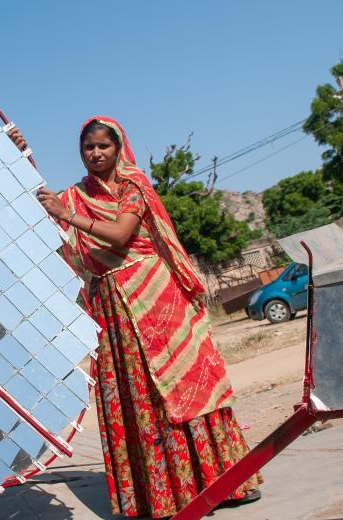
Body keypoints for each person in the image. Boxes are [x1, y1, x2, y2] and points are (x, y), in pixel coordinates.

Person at [21, 118, 261, 517]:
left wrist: (67, 215)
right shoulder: (77, 196)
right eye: (88, 148)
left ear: (118, 148)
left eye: (103, 146)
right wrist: (23, 156)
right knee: (137, 397)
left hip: (154, 297)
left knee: (183, 385)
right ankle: (162, 496)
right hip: (113, 307)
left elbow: (119, 234)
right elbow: (44, 204)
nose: (96, 154)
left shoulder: (134, 184)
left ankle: (225, 484)